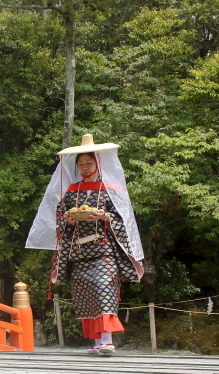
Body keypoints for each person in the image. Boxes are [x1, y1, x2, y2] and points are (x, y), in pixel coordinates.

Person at [26, 134, 144, 354]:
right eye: (81, 164)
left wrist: (104, 216)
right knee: (84, 293)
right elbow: (61, 216)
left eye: (89, 163)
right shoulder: (71, 191)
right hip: (79, 250)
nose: (85, 167)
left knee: (103, 289)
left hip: (104, 249)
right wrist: (69, 219)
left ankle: (108, 339)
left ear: (97, 163)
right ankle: (97, 342)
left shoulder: (110, 190)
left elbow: (122, 218)